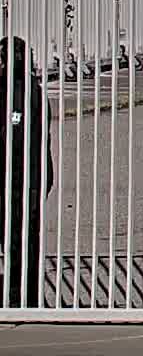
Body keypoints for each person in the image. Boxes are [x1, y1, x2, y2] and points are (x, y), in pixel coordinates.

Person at [2, 37, 49, 309]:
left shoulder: (25, 92)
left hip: (21, 179)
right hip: (24, 178)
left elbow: (23, 138)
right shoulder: (30, 90)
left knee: (20, 241)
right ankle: (21, 295)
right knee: (21, 240)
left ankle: (21, 297)